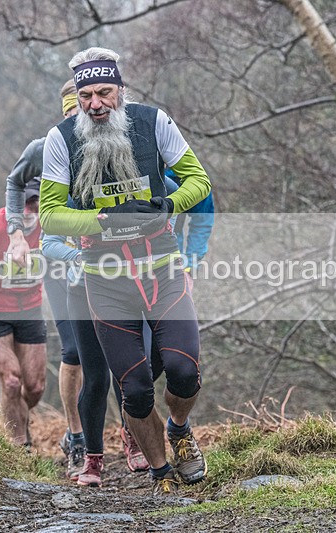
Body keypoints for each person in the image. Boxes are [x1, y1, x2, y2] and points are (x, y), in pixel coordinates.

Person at [39, 47, 212, 495]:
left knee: (183, 369)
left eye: (104, 92)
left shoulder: (154, 123)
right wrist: (99, 222)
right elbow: (51, 215)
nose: (95, 104)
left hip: (163, 271)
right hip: (106, 279)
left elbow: (200, 181)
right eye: (85, 96)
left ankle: (179, 429)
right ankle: (160, 473)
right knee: (133, 388)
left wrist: (169, 205)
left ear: (120, 90)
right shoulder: (62, 139)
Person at [4, 81, 88, 478]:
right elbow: (14, 181)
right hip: (60, 261)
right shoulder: (46, 147)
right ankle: (76, 437)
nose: (79, 120)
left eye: (85, 113)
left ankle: (130, 432)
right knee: (74, 351)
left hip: (108, 263)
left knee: (122, 350)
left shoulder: (115, 144)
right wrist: (17, 234)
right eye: (72, 113)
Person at [0, 180, 47, 446]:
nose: (29, 211)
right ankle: (19, 445)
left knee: (35, 386)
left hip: (30, 309)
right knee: (12, 381)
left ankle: (19, 418)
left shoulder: (46, 225)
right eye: (24, 204)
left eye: (34, 204)